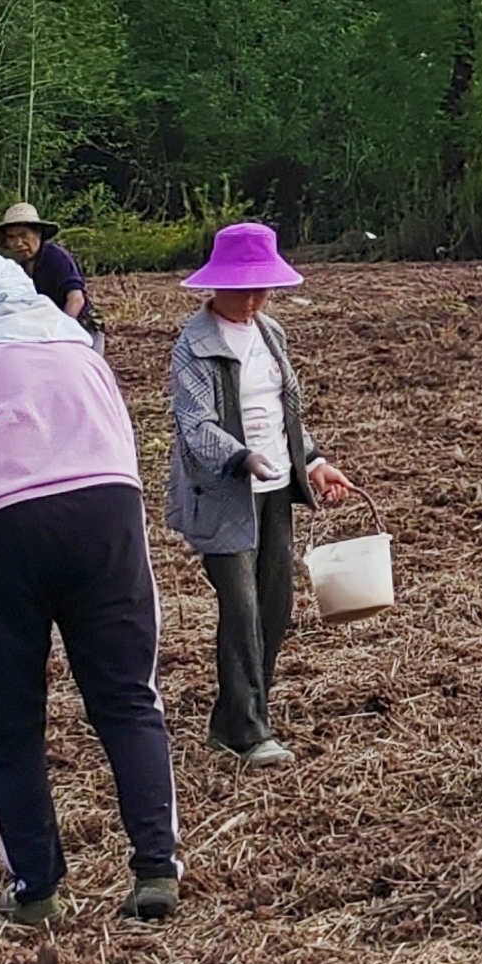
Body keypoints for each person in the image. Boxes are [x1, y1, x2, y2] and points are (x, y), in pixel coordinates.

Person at [0, 251, 180, 925]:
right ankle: (155, 867)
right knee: (127, 698)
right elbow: (122, 441)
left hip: (6, 529)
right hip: (108, 516)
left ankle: (36, 885)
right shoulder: (82, 352)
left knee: (10, 715)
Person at [164, 221, 356, 767]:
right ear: (213, 286)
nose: (251, 301)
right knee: (241, 609)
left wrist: (314, 461)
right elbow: (195, 424)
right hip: (224, 493)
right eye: (240, 289)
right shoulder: (193, 346)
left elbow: (284, 412)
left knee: (276, 607)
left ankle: (234, 720)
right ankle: (250, 733)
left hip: (274, 490)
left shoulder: (272, 334)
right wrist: (241, 457)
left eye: (260, 290)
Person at [0, 202, 99, 339]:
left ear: (38, 234)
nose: (18, 243)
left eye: (24, 235)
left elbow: (76, 299)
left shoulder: (55, 257)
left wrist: (63, 332)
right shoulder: (17, 268)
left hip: (80, 328)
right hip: (46, 331)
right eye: (11, 237)